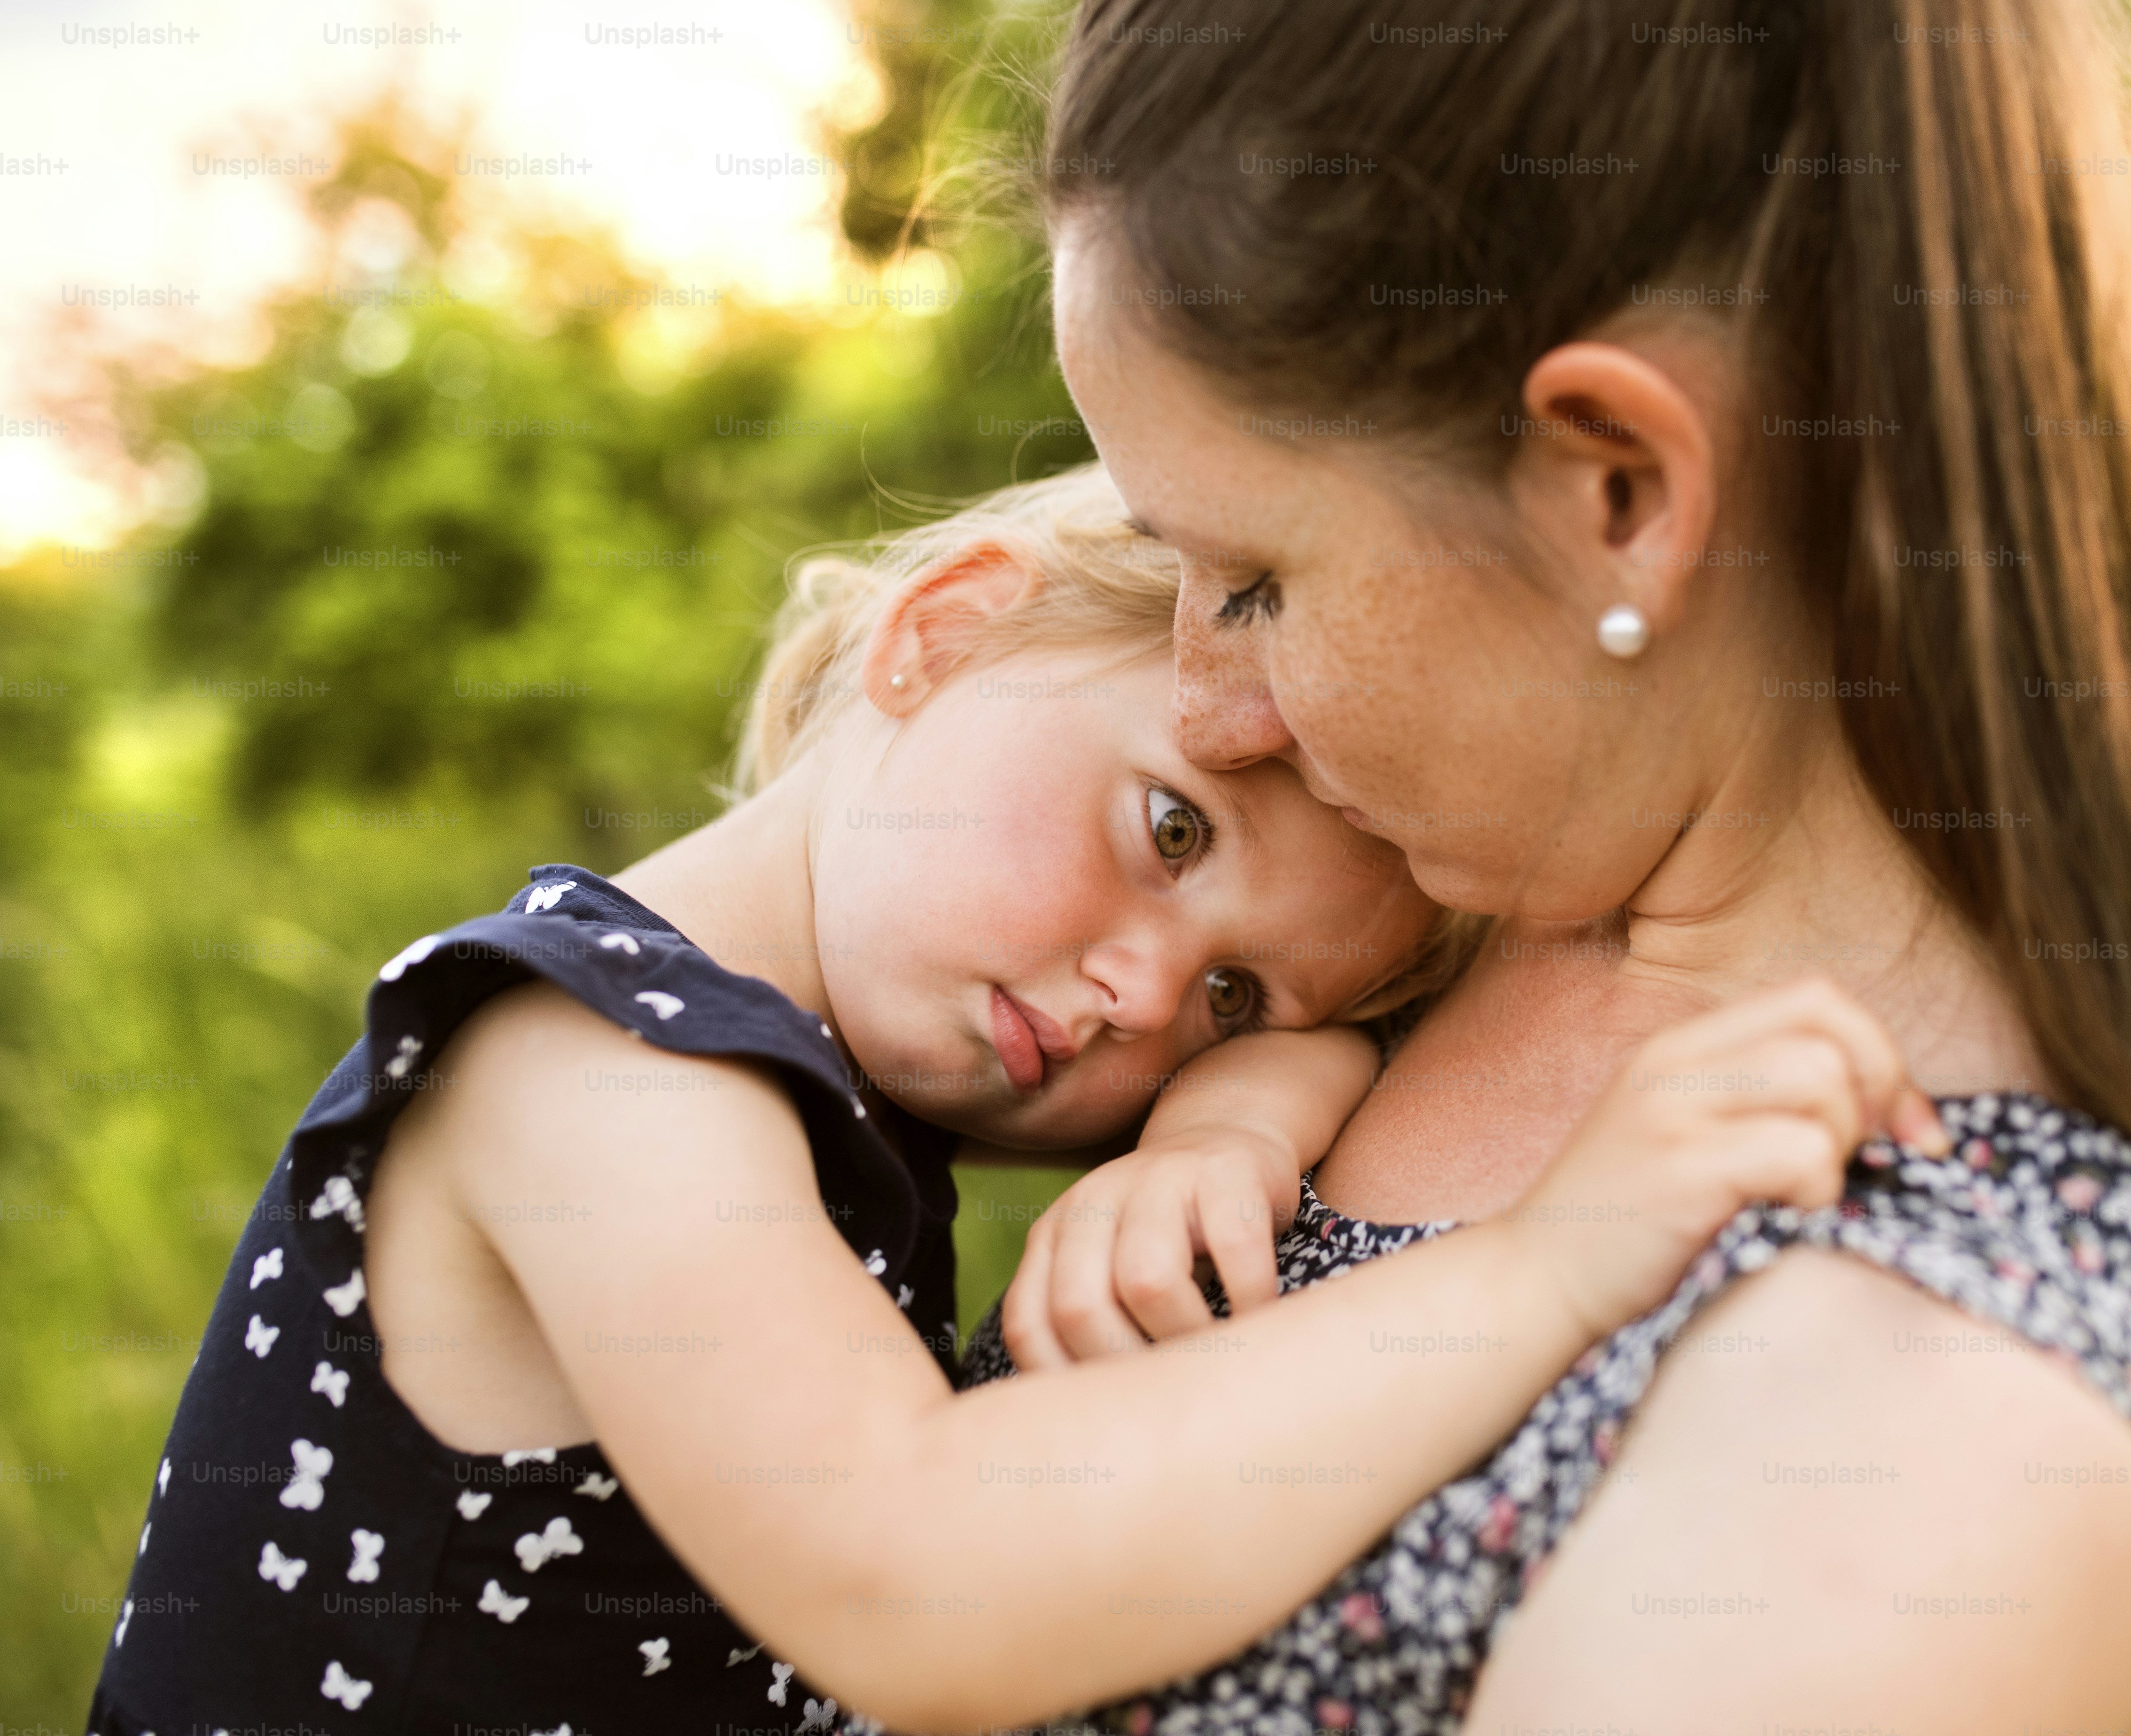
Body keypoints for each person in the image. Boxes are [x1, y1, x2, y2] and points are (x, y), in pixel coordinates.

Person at [984, 0, 2131, 1732]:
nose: (1210, 710)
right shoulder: (1404, 935)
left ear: (1622, 488)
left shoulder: (1925, 1429)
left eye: (1256, 580)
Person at [86, 463, 1948, 1736]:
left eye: (1233, 993)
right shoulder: (592, 1070)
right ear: (949, 631)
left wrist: (1237, 1117)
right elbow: (916, 1576)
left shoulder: (795, 1055)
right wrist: (1552, 1262)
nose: (1149, 993)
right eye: (1168, 825)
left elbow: (1331, 1031)